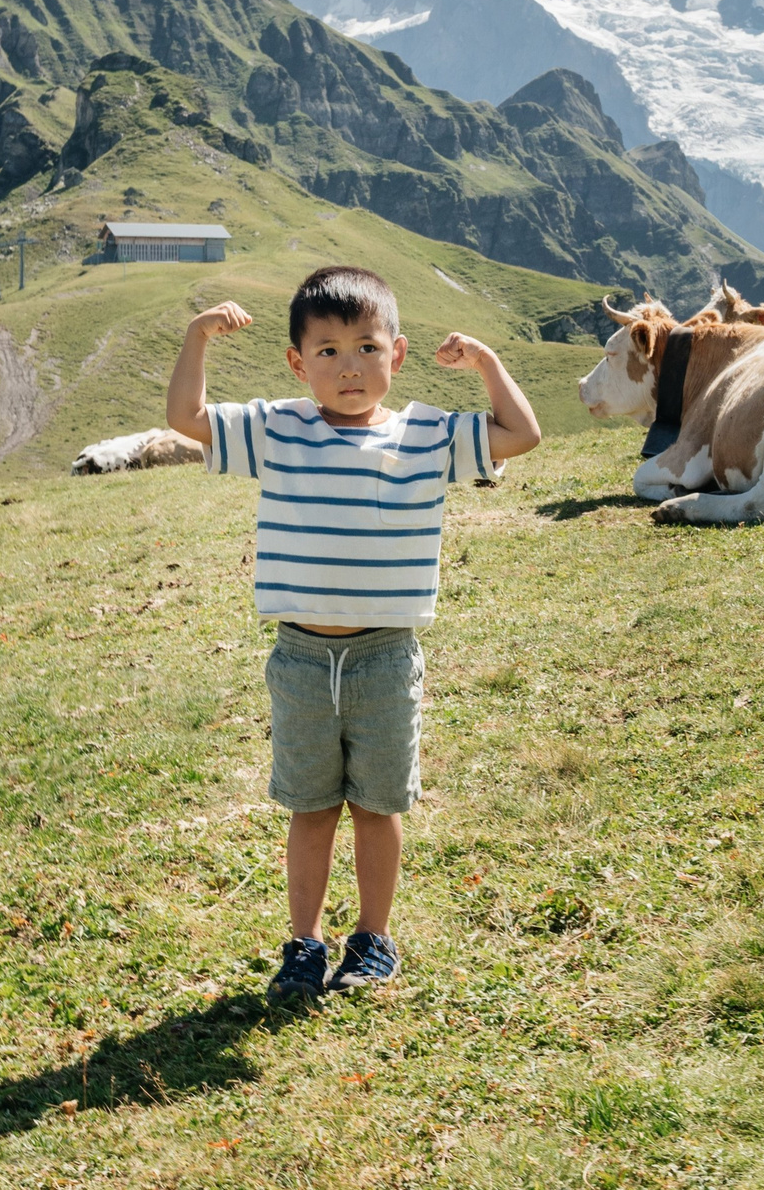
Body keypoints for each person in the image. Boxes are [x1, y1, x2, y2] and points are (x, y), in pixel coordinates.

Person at [165, 265, 542, 1001]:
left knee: (377, 805)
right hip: (302, 656)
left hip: (384, 655)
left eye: (367, 346)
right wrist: (195, 338)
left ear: (396, 355)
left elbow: (521, 433)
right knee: (311, 807)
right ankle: (304, 944)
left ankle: (372, 940)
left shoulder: (428, 432)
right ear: (298, 364)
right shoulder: (279, 429)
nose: (349, 366)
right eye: (329, 350)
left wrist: (489, 364)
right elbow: (188, 418)